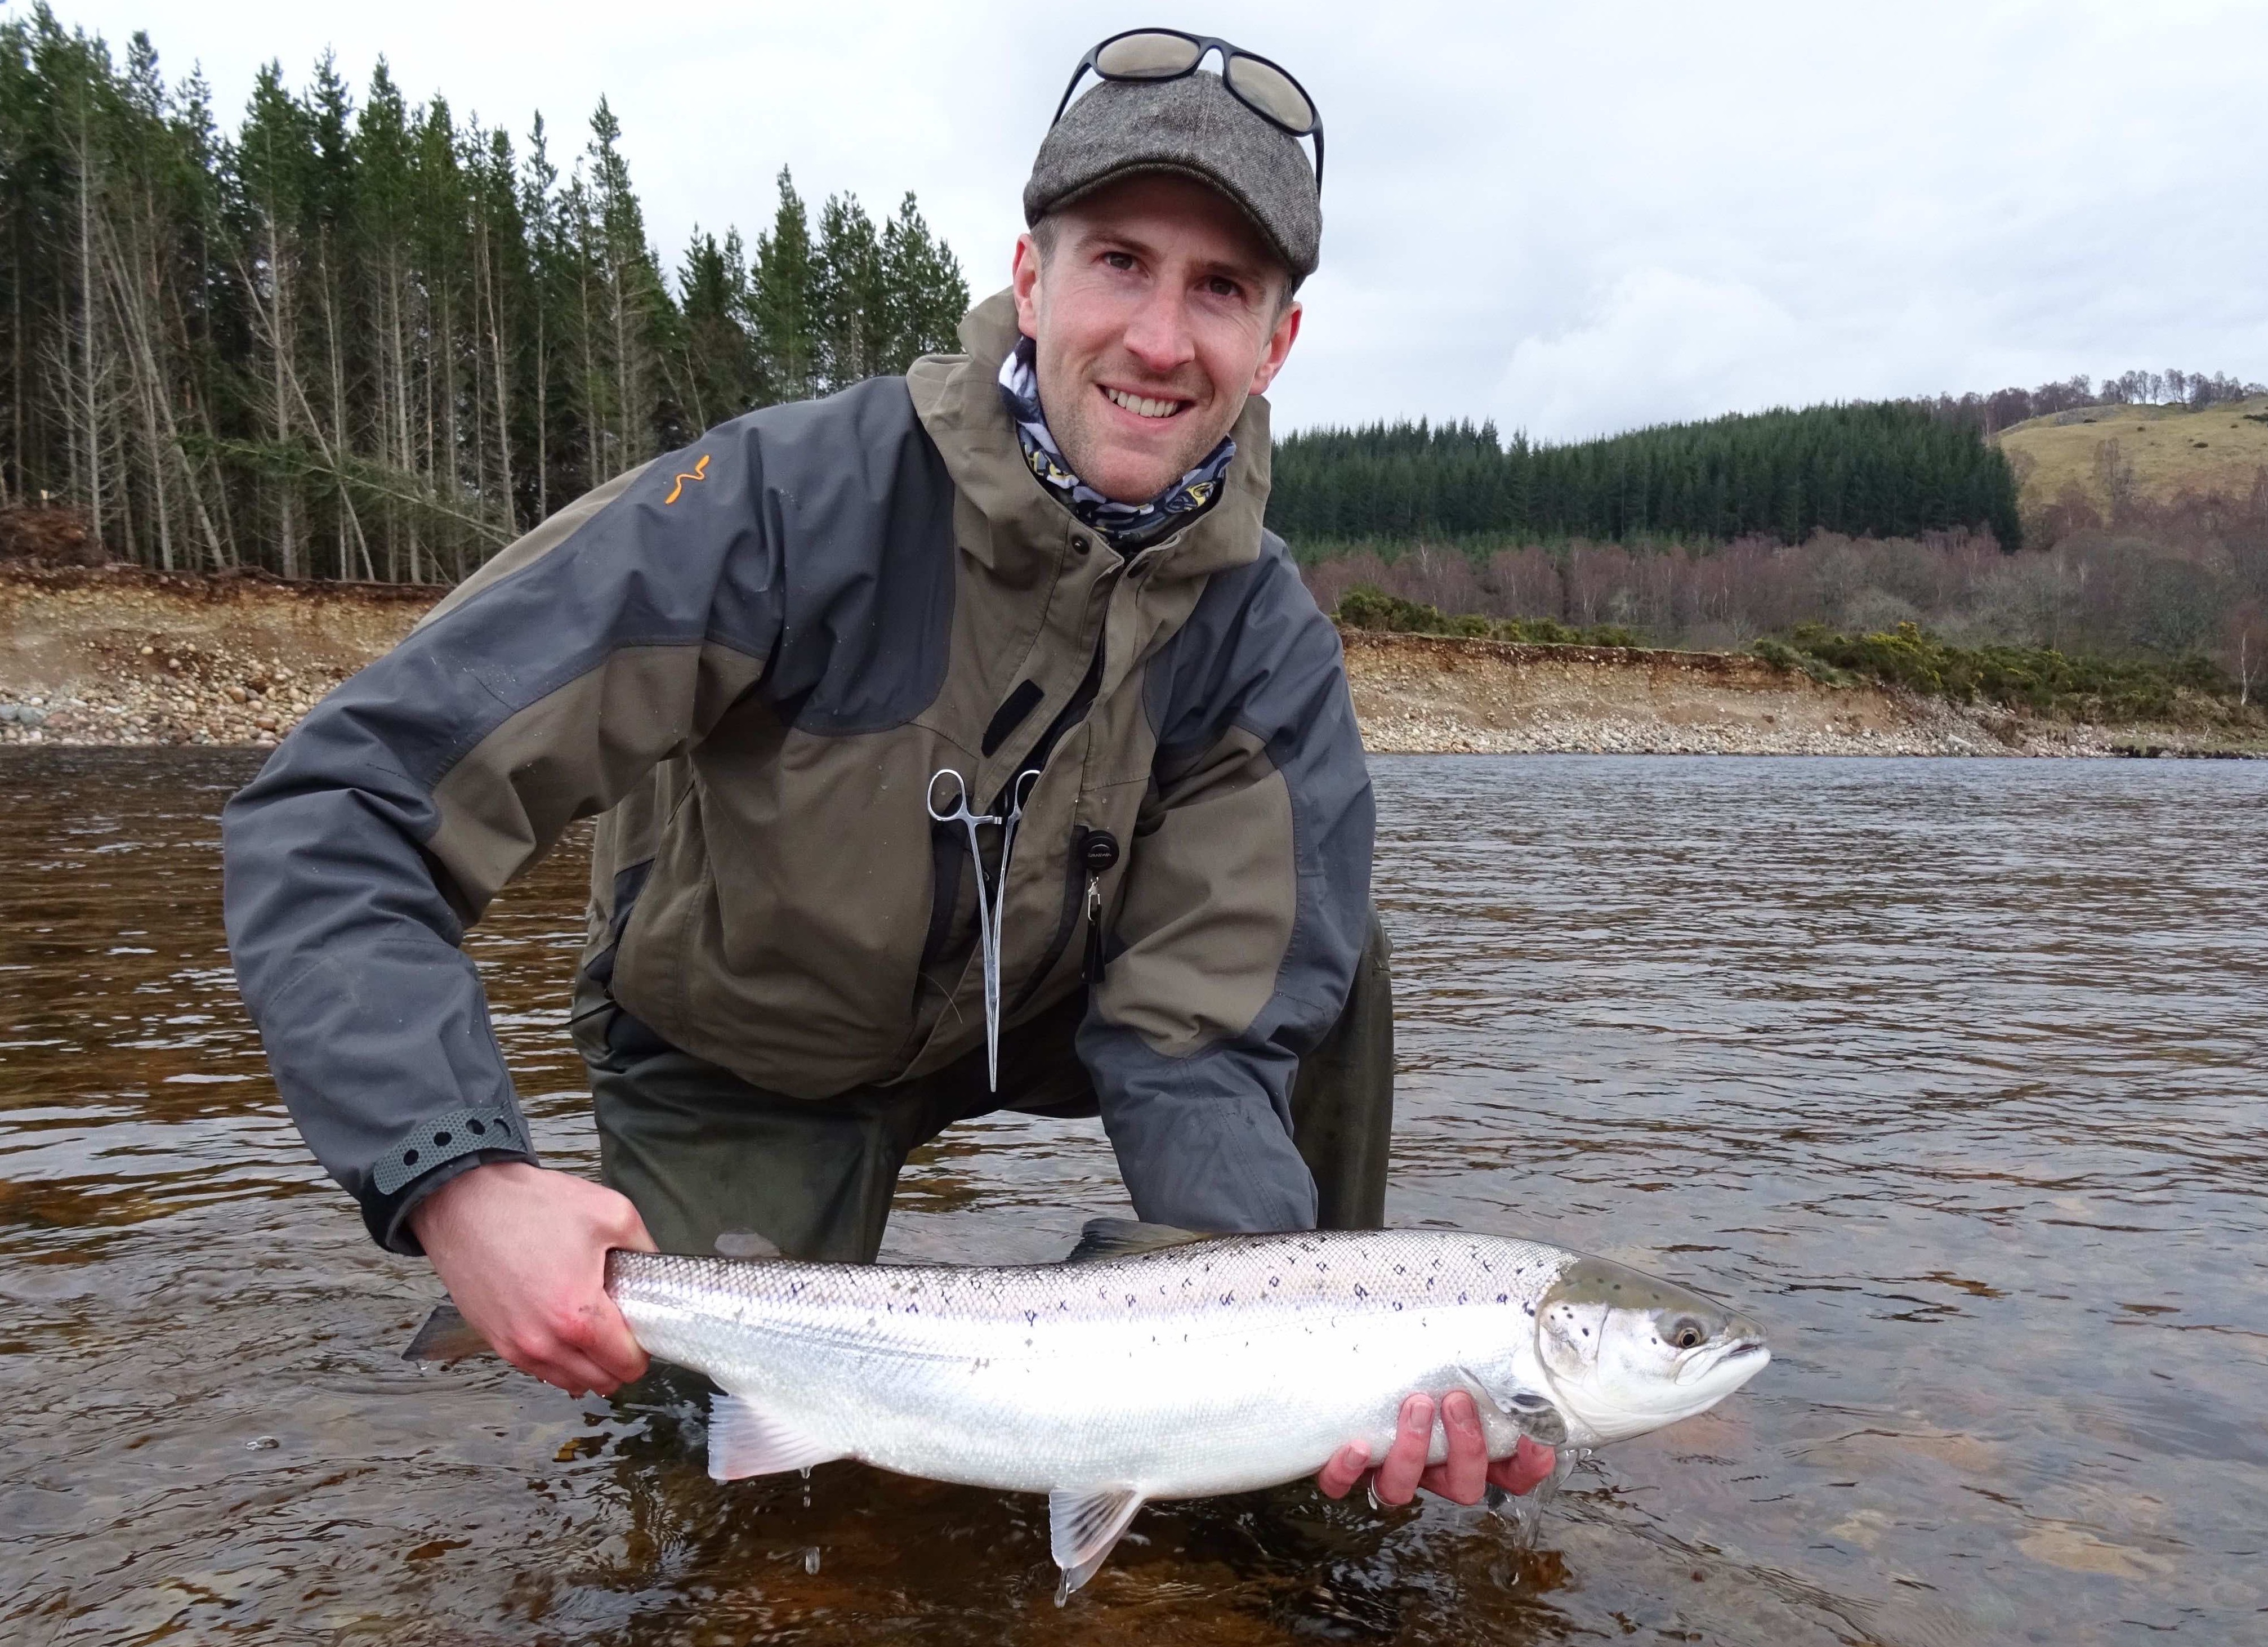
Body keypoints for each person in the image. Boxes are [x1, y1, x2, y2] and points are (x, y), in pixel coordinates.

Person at [221, 28, 1555, 1512]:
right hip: (746, 1048)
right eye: (1119, 261)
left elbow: (1202, 1040)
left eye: (1220, 289)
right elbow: (343, 809)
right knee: (682, 1473)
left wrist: (1296, 1357)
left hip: (1040, 1020)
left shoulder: (1263, 638)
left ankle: (1289, 1480)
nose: (1163, 339)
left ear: (1276, 345)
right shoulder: (778, 508)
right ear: (1031, 278)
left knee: (1334, 967)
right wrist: (458, 1177)